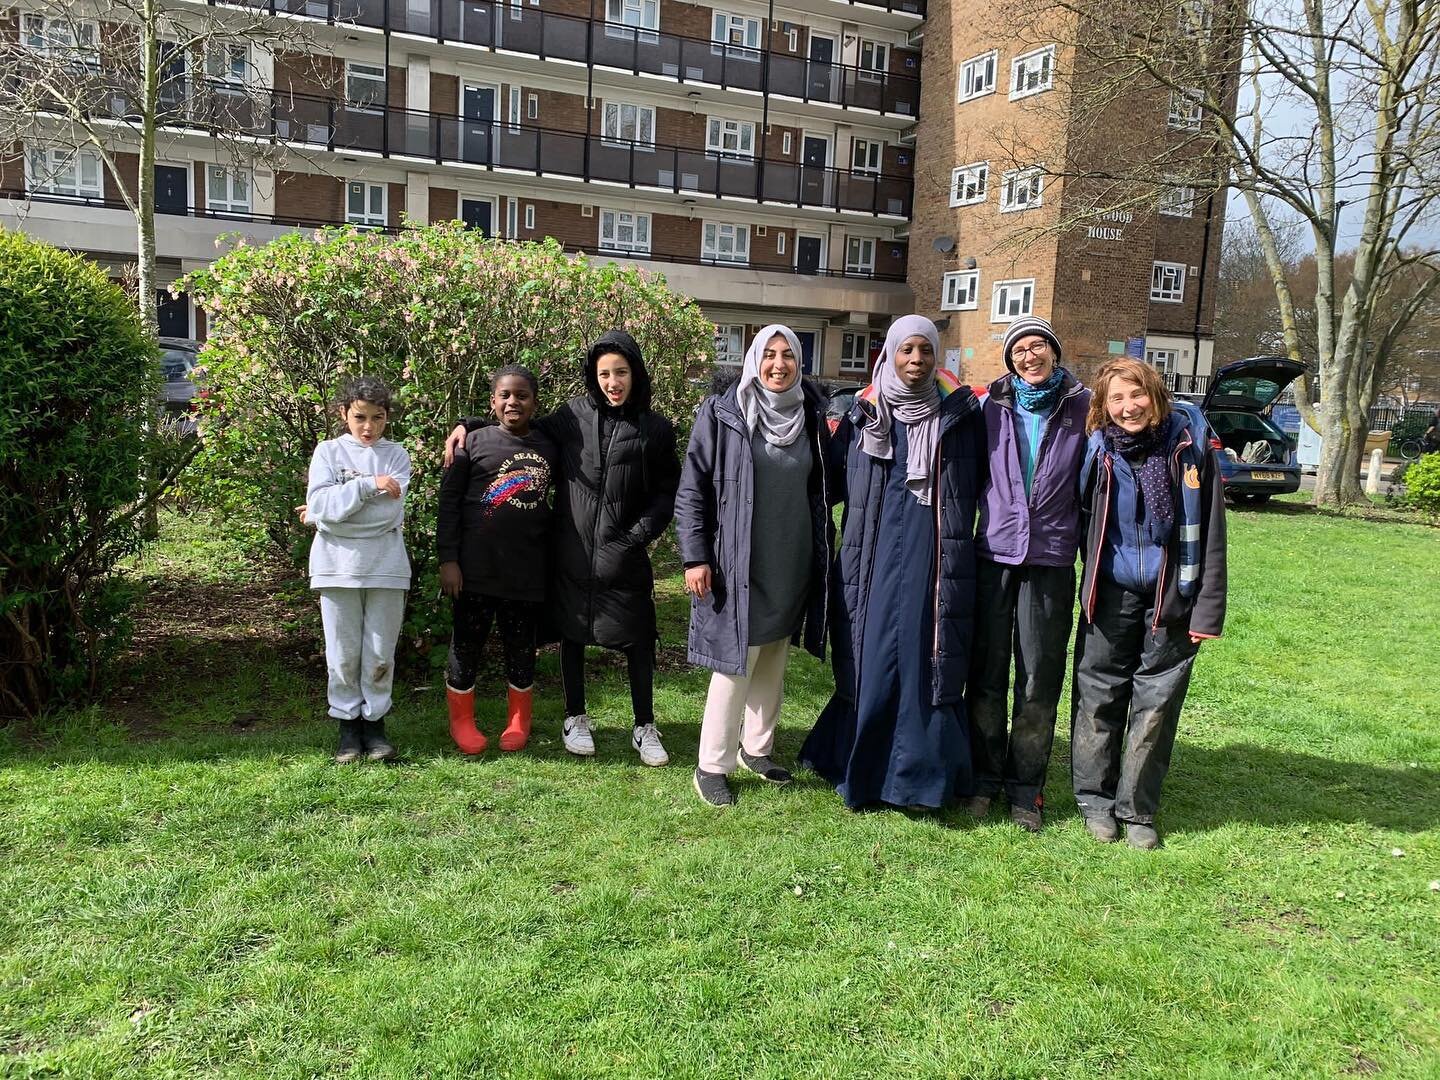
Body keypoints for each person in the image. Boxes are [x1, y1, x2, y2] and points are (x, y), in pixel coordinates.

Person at [446, 332, 681, 764]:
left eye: (621, 372)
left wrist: (639, 536)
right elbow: (516, 422)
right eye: (604, 373)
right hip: (571, 550)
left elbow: (668, 492)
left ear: (636, 373)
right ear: (594, 377)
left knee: (637, 639)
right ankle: (576, 717)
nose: (613, 381)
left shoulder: (656, 428)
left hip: (623, 553)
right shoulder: (573, 417)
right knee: (573, 636)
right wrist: (468, 423)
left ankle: (644, 725)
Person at [799, 315, 987, 811]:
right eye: (907, 351)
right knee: (873, 653)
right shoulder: (864, 415)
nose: (916, 360)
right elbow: (826, 484)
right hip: (873, 556)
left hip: (934, 555)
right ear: (890, 355)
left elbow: (989, 483)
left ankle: (919, 775)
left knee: (926, 654)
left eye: (925, 351)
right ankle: (864, 764)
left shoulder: (961, 415)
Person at [675, 324, 834, 807]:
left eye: (788, 355)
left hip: (792, 559)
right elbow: (692, 489)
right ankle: (712, 765)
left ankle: (757, 748)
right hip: (736, 564)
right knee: (734, 663)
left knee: (773, 656)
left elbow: (825, 485)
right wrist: (695, 555)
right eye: (769, 354)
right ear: (753, 361)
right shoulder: (724, 412)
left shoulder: (810, 414)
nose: (778, 364)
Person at [1071, 358, 1227, 849]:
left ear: (1155, 395)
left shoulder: (1189, 447)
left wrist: (1207, 609)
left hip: (1171, 596)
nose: (1127, 407)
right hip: (1109, 592)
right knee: (1099, 697)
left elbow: (1213, 534)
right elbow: (1080, 519)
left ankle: (1136, 810)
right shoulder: (1098, 450)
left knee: (1155, 705)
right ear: (1104, 405)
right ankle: (1095, 801)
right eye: (1116, 398)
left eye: (1136, 395)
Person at [966, 316, 1092, 832]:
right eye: (1020, 348)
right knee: (988, 679)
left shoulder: (1084, 408)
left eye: (1039, 346)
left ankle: (1026, 789)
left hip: (1050, 560)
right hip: (994, 555)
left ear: (1055, 354)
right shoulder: (988, 408)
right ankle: (984, 779)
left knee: (1039, 680)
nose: (1029, 356)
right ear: (1009, 359)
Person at [437, 364, 559, 755]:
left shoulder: (549, 445)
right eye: (504, 395)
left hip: (526, 571)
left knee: (521, 648)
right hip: (473, 571)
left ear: (535, 402)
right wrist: (448, 560)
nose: (513, 402)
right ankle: (462, 721)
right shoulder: (472, 443)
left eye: (522, 395)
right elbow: (449, 504)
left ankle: (518, 719)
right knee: (466, 646)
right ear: (492, 402)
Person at [298, 376, 411, 764]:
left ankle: (375, 727)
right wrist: (367, 487)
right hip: (335, 567)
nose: (368, 427)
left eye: (377, 418)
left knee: (380, 653)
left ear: (387, 418)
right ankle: (348, 729)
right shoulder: (328, 452)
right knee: (343, 655)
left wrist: (327, 514)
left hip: (387, 567)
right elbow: (322, 505)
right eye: (360, 417)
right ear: (343, 413)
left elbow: (386, 514)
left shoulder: (396, 456)